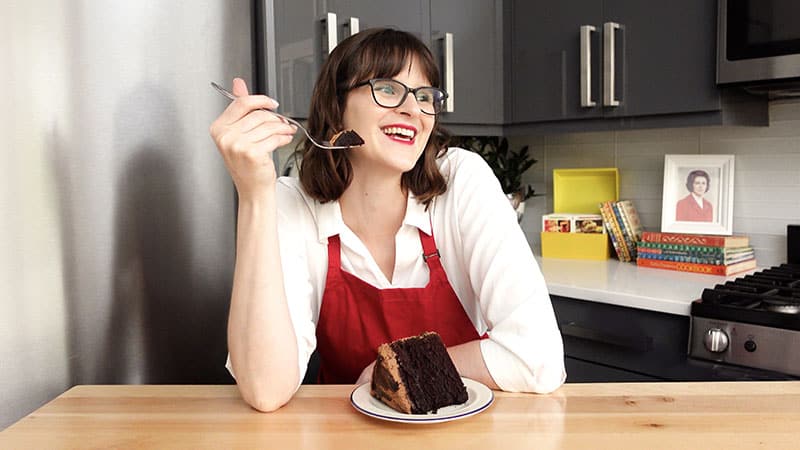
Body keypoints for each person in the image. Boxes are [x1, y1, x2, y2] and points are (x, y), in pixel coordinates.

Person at [209, 28, 565, 412]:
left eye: (425, 96)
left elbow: (539, 358)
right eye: (389, 89)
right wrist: (254, 194)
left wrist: (396, 368)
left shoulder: (462, 181)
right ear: (336, 107)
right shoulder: (291, 203)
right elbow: (265, 389)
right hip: (347, 436)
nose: (414, 110)